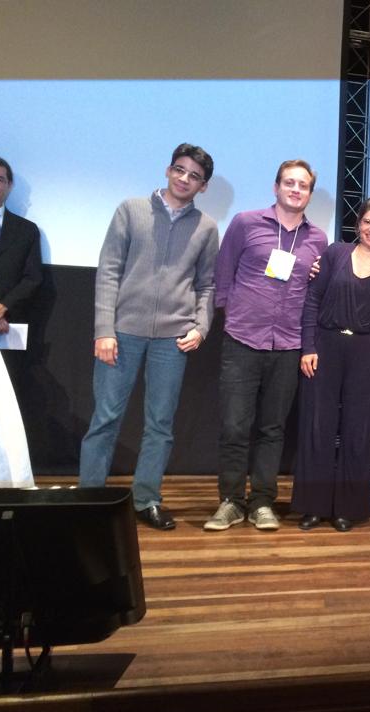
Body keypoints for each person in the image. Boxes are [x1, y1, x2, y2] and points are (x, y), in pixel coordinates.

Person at [79, 143, 219, 530]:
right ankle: (88, 498)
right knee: (105, 418)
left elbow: (207, 285)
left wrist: (201, 327)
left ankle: (146, 499)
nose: (185, 179)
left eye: (194, 176)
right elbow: (108, 271)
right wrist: (104, 329)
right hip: (122, 333)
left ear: (203, 186)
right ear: (168, 170)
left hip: (172, 339)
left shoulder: (207, 227)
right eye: (180, 170)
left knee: (160, 424)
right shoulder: (131, 210)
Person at [204, 160, 327, 532]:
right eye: (289, 182)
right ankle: (230, 502)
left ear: (309, 194)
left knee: (272, 430)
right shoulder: (245, 223)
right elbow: (223, 273)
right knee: (234, 427)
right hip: (242, 340)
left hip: (287, 345)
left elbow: (314, 293)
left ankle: (261, 502)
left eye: (303, 185)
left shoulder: (317, 239)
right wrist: (233, 313)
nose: (295, 189)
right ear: (276, 187)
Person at [291, 198, 370, 531]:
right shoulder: (335, 253)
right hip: (325, 344)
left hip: (368, 350)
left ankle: (348, 508)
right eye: (367, 222)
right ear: (358, 224)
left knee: (358, 429)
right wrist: (308, 346)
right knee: (317, 425)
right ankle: (313, 506)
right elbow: (312, 300)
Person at [0, 156, 43, 488]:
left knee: (7, 410)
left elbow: (32, 278)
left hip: (9, 330)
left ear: (10, 185)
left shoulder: (26, 230)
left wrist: (3, 308)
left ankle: (7, 479)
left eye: (0, 179)